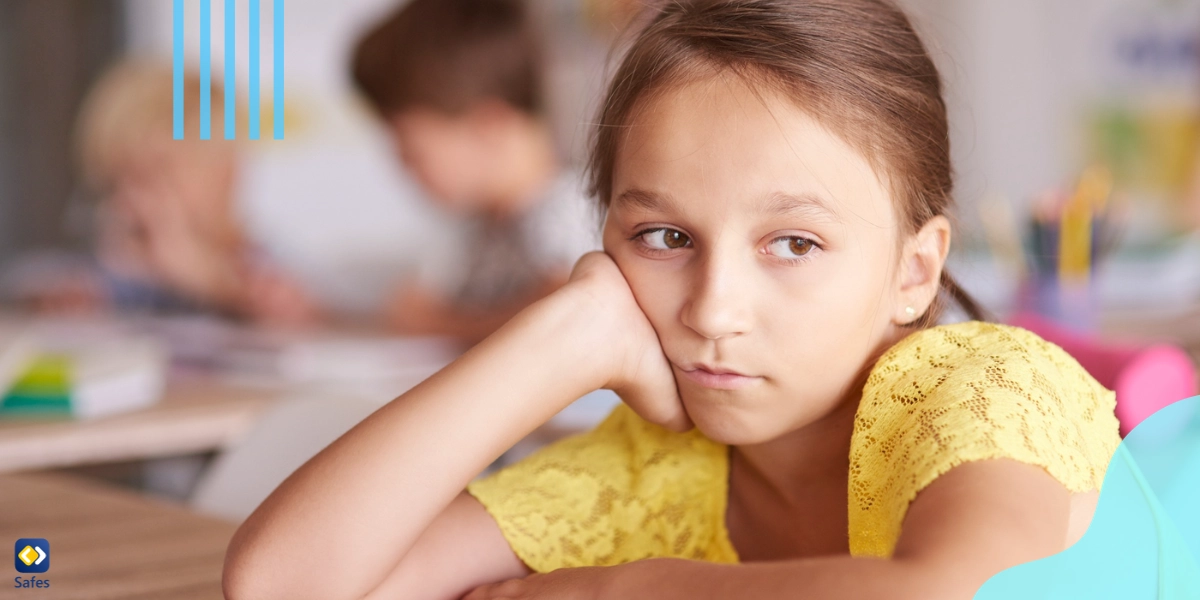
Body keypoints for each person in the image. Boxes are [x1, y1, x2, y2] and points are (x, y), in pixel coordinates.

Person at [223, 1, 1122, 599]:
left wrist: (623, 587)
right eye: (665, 238)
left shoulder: (979, 385)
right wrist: (557, 340)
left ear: (914, 272)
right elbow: (281, 585)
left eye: (794, 245)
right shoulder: (656, 467)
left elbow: (954, 592)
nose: (712, 308)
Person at [350, 0, 599, 343]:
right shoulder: (486, 228)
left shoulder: (565, 211)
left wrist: (437, 323)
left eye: (411, 148)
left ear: (488, 126)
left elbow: (572, 312)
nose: (403, 165)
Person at [8, 61, 321, 325]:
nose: (135, 198)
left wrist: (205, 276)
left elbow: (300, 318)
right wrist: (70, 295)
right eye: (116, 180)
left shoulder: (261, 265)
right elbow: (27, 280)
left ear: (227, 174)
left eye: (158, 176)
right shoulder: (113, 270)